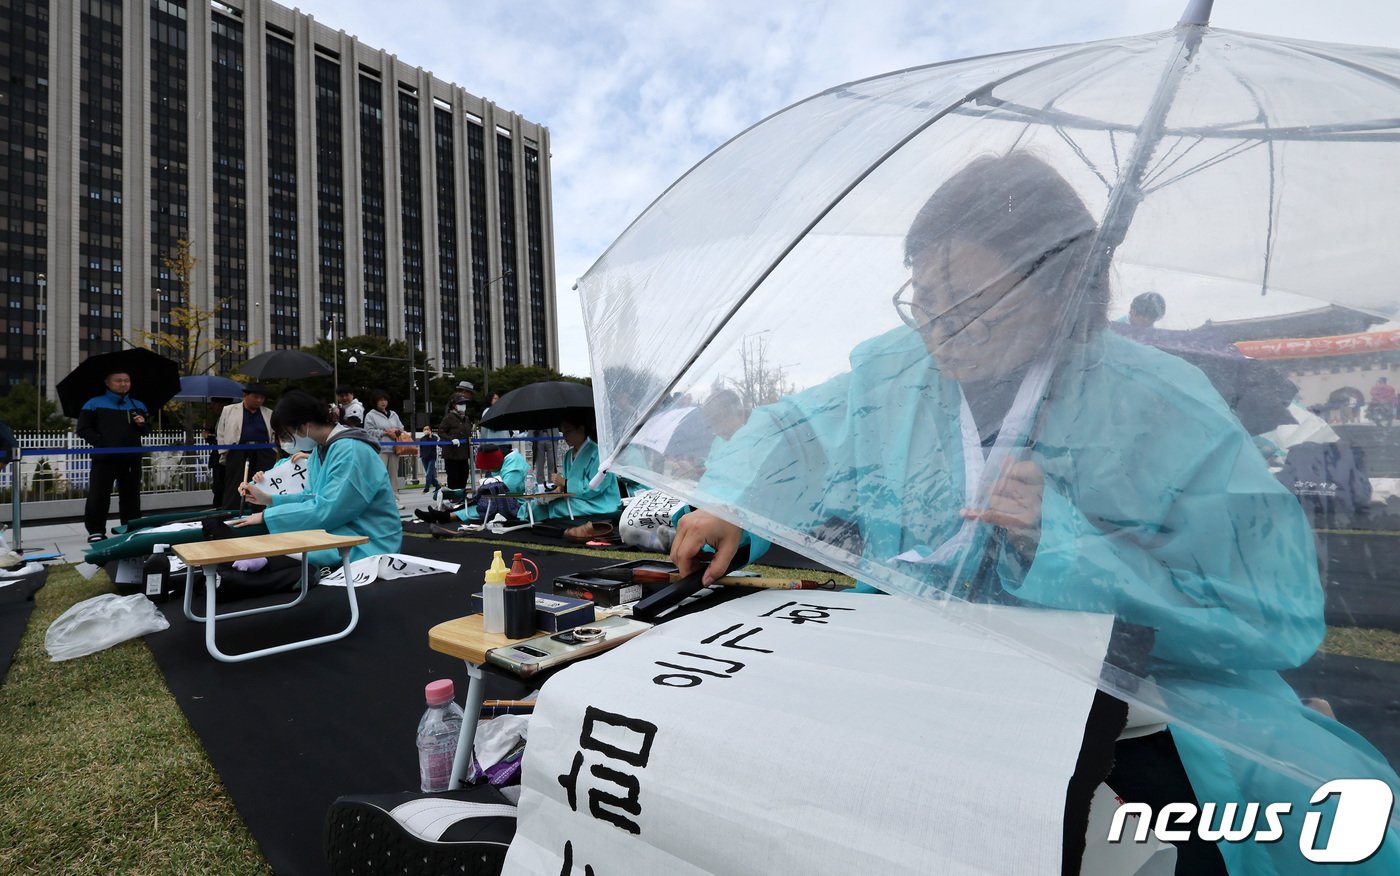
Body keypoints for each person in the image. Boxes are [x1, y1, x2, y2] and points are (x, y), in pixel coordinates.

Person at [669, 152, 1398, 874]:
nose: (941, 328)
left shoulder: (1161, 402)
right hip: (925, 670)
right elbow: (795, 430)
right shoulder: (894, 368)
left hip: (1127, 694)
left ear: (1061, 290)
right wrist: (735, 504)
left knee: (1266, 825)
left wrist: (1059, 540)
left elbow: (1273, 609)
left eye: (973, 303)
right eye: (924, 297)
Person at [232, 389, 401, 567]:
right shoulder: (321, 450)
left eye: (286, 433)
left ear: (304, 425)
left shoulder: (350, 450)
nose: (285, 441)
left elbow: (330, 509)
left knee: (280, 549)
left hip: (371, 541)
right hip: (348, 529)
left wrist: (268, 517)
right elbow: (311, 497)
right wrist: (269, 499)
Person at [76, 370, 148, 542]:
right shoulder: (93, 403)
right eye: (119, 381)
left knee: (131, 495)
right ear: (108, 383)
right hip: (104, 458)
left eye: (127, 380)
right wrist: (101, 441)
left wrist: (142, 423)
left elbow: (146, 431)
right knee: (99, 495)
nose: (123, 384)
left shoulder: (137, 404)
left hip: (131, 458)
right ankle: (96, 531)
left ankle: (131, 527)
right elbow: (83, 429)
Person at [536, 416, 621, 535]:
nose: (565, 436)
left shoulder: (599, 453)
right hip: (578, 499)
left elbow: (594, 488)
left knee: (557, 507)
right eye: (563, 432)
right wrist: (556, 491)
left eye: (568, 431)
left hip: (598, 502)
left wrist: (564, 483)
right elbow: (565, 485)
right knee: (538, 504)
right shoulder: (568, 455)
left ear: (581, 429)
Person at [216, 382, 276, 509]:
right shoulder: (229, 410)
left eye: (262, 398)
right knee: (235, 484)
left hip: (263, 450)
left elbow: (274, 433)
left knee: (262, 483)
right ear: (245, 395)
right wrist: (224, 452)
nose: (259, 400)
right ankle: (232, 512)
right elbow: (221, 432)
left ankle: (261, 511)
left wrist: (274, 451)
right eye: (255, 397)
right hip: (238, 449)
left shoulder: (269, 413)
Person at [363, 390, 408, 510]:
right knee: (379, 476)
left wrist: (396, 432)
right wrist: (385, 432)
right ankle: (378, 501)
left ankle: (395, 500)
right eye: (380, 400)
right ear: (375, 402)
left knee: (393, 477)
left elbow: (401, 428)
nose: (383, 402)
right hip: (380, 450)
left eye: (385, 400)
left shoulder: (393, 414)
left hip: (394, 449)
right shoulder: (370, 415)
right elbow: (368, 432)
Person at [438, 392, 473, 490]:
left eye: (464, 404)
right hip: (452, 454)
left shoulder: (466, 419)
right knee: (454, 476)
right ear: (454, 405)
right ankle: (453, 497)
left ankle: (461, 496)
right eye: (460, 404)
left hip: (463, 453)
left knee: (464, 475)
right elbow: (441, 431)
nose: (463, 406)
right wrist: (451, 439)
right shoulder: (449, 418)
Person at [419, 423, 440, 492]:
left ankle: (427, 488)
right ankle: (437, 485)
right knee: (430, 475)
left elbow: (434, 444)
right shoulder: (422, 439)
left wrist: (430, 436)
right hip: (424, 458)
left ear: (430, 430)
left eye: (427, 429)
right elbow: (421, 448)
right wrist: (421, 456)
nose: (426, 430)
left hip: (432, 458)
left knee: (428, 474)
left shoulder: (434, 437)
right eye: (425, 429)